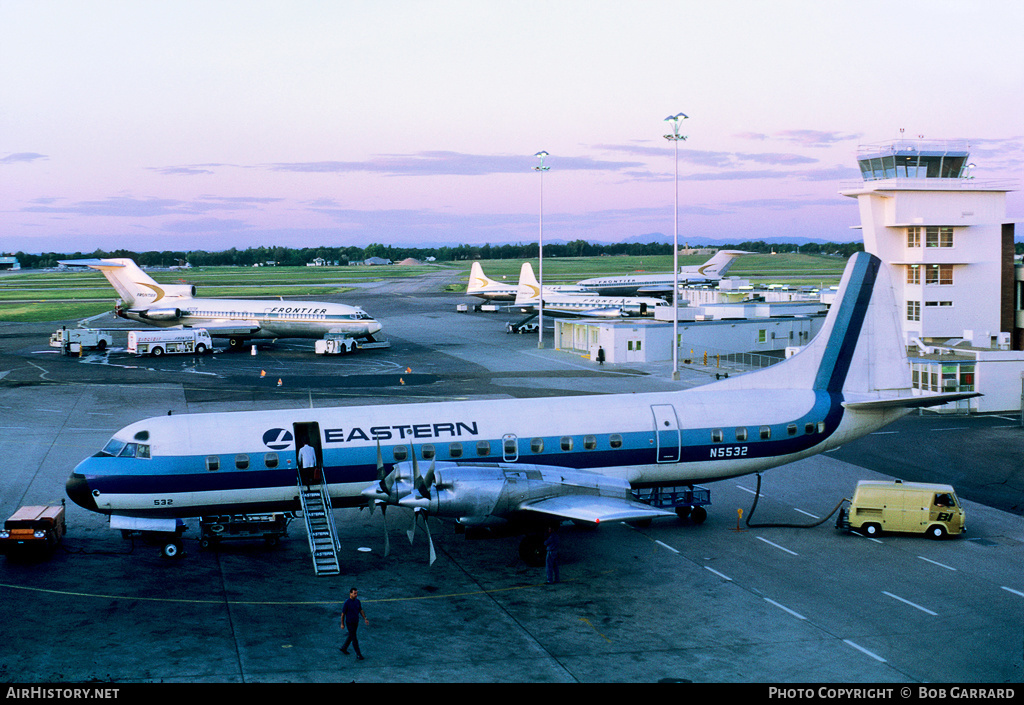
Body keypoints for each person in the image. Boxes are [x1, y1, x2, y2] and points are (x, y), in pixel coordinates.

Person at [340, 587, 369, 660]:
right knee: (354, 638)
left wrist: (365, 618)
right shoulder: (347, 602)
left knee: (351, 635)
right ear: (350, 594)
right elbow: (343, 614)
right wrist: (342, 624)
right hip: (349, 623)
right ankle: (358, 654)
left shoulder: (357, 601)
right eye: (354, 593)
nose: (356, 595)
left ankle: (344, 648)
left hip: (356, 622)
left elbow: (361, 610)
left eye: (356, 593)